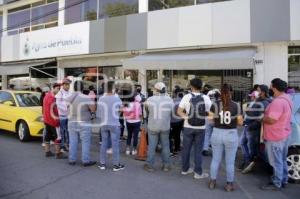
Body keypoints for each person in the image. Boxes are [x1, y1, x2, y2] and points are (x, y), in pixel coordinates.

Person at [208, 84, 243, 192]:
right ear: (231, 93)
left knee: (215, 159)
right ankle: (229, 184)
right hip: (231, 134)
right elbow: (240, 122)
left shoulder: (214, 104)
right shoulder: (236, 105)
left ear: (220, 92)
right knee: (230, 162)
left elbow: (210, 120)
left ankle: (212, 182)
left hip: (217, 133)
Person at [261, 78, 292, 191]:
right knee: (282, 159)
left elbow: (272, 120)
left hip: (276, 136)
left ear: (274, 87)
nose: (269, 88)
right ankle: (283, 179)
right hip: (283, 134)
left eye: (271, 86)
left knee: (276, 161)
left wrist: (262, 118)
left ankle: (277, 182)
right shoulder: (287, 98)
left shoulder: (278, 102)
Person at [177, 78, 212, 179]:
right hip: (201, 127)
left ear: (191, 86)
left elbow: (179, 112)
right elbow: (209, 113)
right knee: (198, 150)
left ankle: (185, 169)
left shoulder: (186, 97)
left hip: (188, 127)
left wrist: (188, 118)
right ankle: (198, 173)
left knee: (186, 149)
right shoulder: (206, 98)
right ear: (201, 87)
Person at [241, 84, 272, 174]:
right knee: (245, 144)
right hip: (248, 126)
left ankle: (259, 165)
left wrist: (251, 125)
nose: (257, 92)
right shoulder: (258, 101)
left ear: (263, 92)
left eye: (258, 90)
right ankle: (249, 162)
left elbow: (261, 118)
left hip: (254, 129)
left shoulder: (265, 103)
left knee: (254, 149)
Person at [144, 82, 174, 172]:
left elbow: (145, 113)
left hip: (152, 126)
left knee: (152, 146)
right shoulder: (169, 100)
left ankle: (150, 166)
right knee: (165, 146)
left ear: (156, 89)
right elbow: (173, 114)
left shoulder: (149, 99)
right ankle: (166, 166)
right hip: (165, 126)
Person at [97, 81, 125, 171]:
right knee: (115, 145)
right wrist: (117, 112)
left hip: (104, 124)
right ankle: (116, 165)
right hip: (114, 123)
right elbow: (122, 109)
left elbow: (99, 112)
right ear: (113, 88)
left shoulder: (101, 98)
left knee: (104, 144)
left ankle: (102, 164)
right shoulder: (117, 98)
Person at [67, 81, 97, 167]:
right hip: (84, 122)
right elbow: (93, 109)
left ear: (74, 87)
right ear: (83, 87)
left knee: (72, 141)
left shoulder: (69, 97)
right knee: (85, 141)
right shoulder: (86, 97)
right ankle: (85, 160)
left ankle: (72, 159)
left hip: (71, 121)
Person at [43, 83, 66, 159]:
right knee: (58, 137)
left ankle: (47, 152)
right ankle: (58, 153)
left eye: (59, 89)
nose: (59, 90)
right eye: (58, 89)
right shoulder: (53, 98)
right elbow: (56, 110)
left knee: (48, 136)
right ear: (54, 88)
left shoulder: (46, 95)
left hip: (47, 120)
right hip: (53, 121)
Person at [239, 90, 260, 171]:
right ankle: (247, 160)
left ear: (255, 97)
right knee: (242, 142)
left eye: (252, 96)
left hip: (251, 127)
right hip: (247, 126)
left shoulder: (258, 105)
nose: (251, 97)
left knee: (250, 146)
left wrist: (251, 125)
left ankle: (249, 162)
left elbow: (258, 118)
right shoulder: (251, 103)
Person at [56, 78, 72, 152]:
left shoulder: (70, 92)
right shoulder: (60, 93)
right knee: (63, 131)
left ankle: (67, 144)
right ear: (63, 85)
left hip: (68, 115)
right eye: (66, 85)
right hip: (62, 115)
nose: (68, 86)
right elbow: (58, 104)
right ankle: (63, 145)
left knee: (68, 131)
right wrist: (67, 108)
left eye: (68, 85)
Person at [203, 89, 220, 156]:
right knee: (215, 136)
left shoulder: (206, 100)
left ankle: (205, 148)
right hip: (216, 119)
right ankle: (215, 151)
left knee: (207, 134)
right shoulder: (218, 102)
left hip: (207, 118)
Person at [169, 87, 184, 156]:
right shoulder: (183, 101)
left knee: (170, 135)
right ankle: (177, 148)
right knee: (177, 135)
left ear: (175, 93)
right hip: (180, 120)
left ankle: (171, 149)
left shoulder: (172, 101)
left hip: (172, 121)